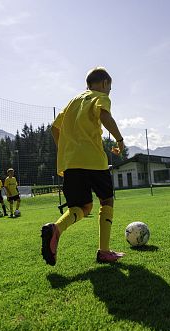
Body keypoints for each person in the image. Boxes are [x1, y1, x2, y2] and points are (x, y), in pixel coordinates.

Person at [41, 67, 125, 266]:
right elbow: (105, 116)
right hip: (93, 160)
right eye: (109, 88)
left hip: (71, 163)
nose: (108, 92)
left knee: (82, 207)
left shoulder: (73, 101)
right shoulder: (100, 97)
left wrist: (67, 149)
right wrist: (120, 140)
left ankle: (56, 229)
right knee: (107, 201)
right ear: (104, 83)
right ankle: (104, 252)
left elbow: (55, 127)